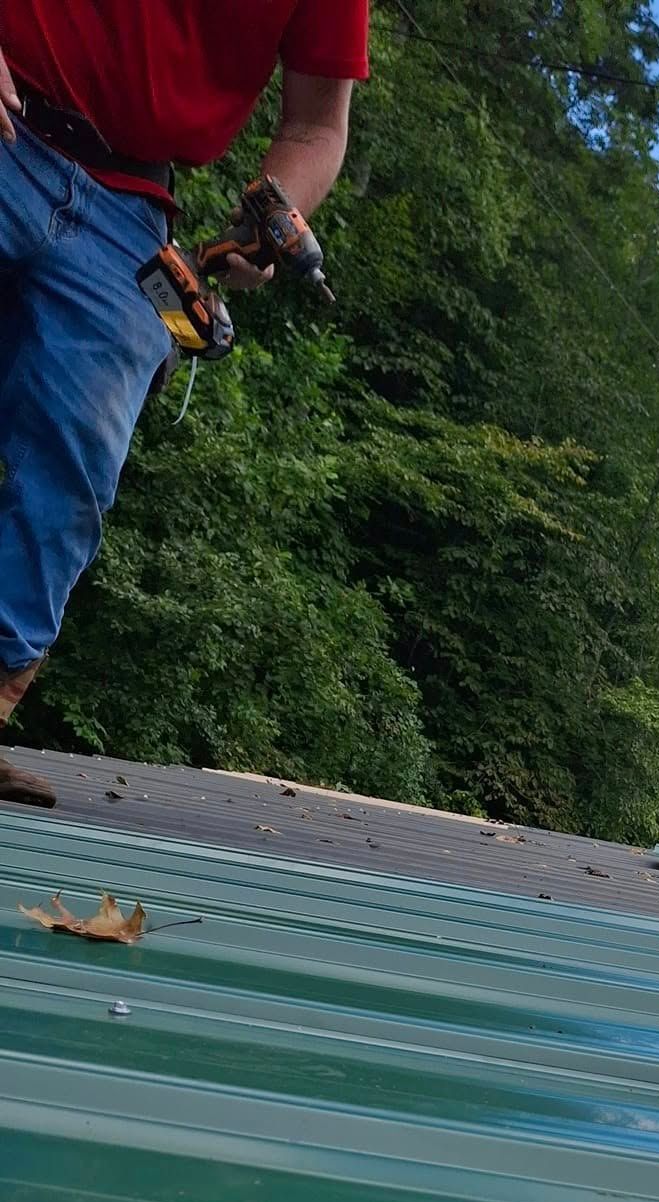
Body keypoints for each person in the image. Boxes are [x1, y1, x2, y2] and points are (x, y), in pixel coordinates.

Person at [0, 0, 369, 807]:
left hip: (131, 203)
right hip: (10, 110)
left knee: (73, 467)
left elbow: (316, 125)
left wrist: (276, 211)